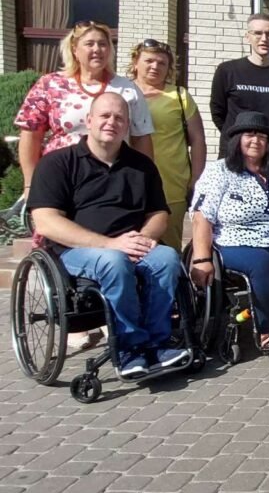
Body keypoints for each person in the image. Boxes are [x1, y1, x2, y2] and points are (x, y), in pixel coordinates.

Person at [27, 92, 188, 378]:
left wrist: (144, 238)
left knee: (166, 258)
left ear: (127, 126)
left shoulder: (141, 166)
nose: (111, 122)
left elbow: (159, 214)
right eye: (104, 115)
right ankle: (129, 349)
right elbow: (46, 222)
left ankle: (158, 344)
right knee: (114, 261)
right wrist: (111, 244)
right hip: (76, 250)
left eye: (119, 118)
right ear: (89, 120)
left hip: (131, 245)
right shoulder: (58, 163)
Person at [16, 20, 155, 351]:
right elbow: (30, 136)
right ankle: (76, 319)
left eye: (103, 44)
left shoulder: (126, 88)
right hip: (62, 179)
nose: (97, 50)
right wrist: (31, 184)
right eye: (90, 44)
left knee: (125, 246)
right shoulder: (51, 85)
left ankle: (115, 315)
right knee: (64, 245)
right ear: (74, 49)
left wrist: (145, 181)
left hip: (114, 179)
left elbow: (142, 138)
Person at [190, 111, 269, 352]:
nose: (256, 140)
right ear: (237, 139)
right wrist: (202, 259)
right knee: (264, 264)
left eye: (262, 136)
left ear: (268, 144)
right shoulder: (219, 172)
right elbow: (202, 216)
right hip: (234, 240)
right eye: (249, 134)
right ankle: (267, 329)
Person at [128, 39, 208, 251]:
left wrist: (196, 179)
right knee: (130, 243)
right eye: (149, 61)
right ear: (136, 63)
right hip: (128, 184)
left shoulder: (179, 96)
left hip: (171, 186)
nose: (155, 66)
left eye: (162, 63)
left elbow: (198, 139)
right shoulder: (122, 93)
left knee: (169, 248)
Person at [210, 13, 269, 168]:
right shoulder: (227, 71)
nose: (264, 39)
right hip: (234, 155)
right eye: (258, 33)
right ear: (247, 37)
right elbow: (218, 113)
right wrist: (238, 139)